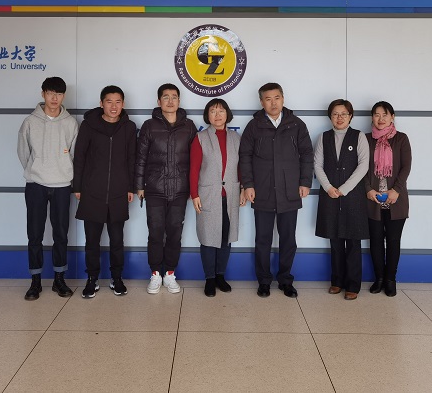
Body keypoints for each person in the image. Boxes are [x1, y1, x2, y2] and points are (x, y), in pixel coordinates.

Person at [239, 83, 314, 298]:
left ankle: (285, 280)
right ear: (261, 102)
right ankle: (263, 281)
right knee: (262, 239)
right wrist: (248, 184)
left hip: (289, 190)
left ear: (283, 98)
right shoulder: (254, 126)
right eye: (268, 99)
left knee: (288, 239)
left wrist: (305, 182)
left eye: (277, 98)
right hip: (262, 190)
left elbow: (307, 154)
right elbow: (245, 157)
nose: (273, 103)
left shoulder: (296, 124)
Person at [17, 76, 78, 301]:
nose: (55, 98)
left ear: (64, 96)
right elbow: (23, 153)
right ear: (43, 93)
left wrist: (64, 170)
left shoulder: (71, 123)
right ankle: (35, 281)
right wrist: (36, 170)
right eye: (50, 93)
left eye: (59, 94)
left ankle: (59, 279)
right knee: (35, 234)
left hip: (62, 185)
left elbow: (75, 154)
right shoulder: (29, 122)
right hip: (36, 185)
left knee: (61, 234)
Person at [73, 85, 137, 299]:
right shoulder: (89, 125)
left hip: (119, 192)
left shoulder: (129, 127)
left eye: (118, 102)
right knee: (92, 241)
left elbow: (132, 159)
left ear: (123, 104)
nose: (113, 106)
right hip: (92, 191)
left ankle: (116, 278)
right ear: (101, 103)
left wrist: (130, 187)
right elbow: (80, 156)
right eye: (109, 101)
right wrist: (77, 186)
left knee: (117, 240)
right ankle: (92, 279)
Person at [135, 83, 197, 294]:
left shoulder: (189, 126)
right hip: (154, 188)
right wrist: (139, 185)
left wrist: (193, 188)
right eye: (166, 97)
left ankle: (169, 274)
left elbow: (195, 161)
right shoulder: (149, 126)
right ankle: (155, 274)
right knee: (155, 232)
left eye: (174, 97)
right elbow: (141, 158)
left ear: (179, 101)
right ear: (158, 101)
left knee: (174, 233)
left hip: (180, 189)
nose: (170, 101)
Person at [314, 99, 370, 300]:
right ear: (330, 117)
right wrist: (328, 187)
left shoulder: (359, 136)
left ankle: (353, 285)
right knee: (335, 240)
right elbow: (317, 165)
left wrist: (344, 189)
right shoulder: (324, 137)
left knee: (353, 242)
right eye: (335, 114)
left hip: (353, 196)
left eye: (343, 114)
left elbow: (363, 165)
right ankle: (337, 281)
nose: (339, 118)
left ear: (350, 116)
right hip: (330, 195)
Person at [189, 98, 246, 297]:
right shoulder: (200, 138)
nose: (217, 114)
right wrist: (194, 194)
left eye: (221, 110)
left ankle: (220, 276)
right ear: (208, 116)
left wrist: (243, 188)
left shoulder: (236, 138)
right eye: (213, 111)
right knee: (208, 238)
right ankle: (209, 278)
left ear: (227, 114)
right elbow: (194, 169)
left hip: (230, 194)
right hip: (208, 195)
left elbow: (241, 167)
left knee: (225, 238)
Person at [365, 101, 412, 297]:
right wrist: (368, 189)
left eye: (385, 114)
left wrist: (396, 190)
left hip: (396, 200)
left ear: (392, 117)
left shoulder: (401, 139)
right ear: (372, 118)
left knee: (393, 241)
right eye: (377, 115)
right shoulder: (366, 139)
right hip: (372, 200)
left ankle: (391, 280)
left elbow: (406, 167)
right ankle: (379, 279)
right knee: (375, 241)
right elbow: (361, 168)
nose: (381, 119)